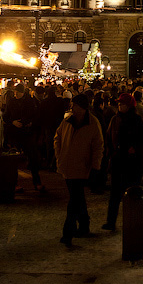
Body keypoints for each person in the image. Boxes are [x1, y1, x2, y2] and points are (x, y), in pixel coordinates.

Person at [54, 94, 104, 247]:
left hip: (83, 167)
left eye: (74, 105)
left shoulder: (93, 123)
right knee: (78, 197)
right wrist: (59, 155)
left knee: (74, 201)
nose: (72, 108)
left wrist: (96, 167)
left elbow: (98, 147)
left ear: (82, 107)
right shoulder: (67, 121)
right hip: (67, 166)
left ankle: (68, 232)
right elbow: (57, 137)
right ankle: (84, 225)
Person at [101, 93, 143, 231]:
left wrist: (134, 147)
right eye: (119, 104)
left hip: (133, 162)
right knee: (115, 193)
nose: (120, 106)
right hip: (118, 160)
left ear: (129, 106)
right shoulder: (115, 119)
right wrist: (111, 151)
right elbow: (109, 136)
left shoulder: (137, 120)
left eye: (122, 104)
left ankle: (133, 221)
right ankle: (111, 221)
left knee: (133, 192)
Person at [5, 82, 46, 192]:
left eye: (18, 92)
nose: (16, 94)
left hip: (27, 133)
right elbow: (6, 116)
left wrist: (30, 123)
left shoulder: (30, 101)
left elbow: (36, 116)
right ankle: (15, 184)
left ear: (23, 92)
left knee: (33, 159)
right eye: (15, 92)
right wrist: (13, 122)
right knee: (14, 161)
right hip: (15, 133)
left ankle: (37, 182)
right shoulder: (11, 101)